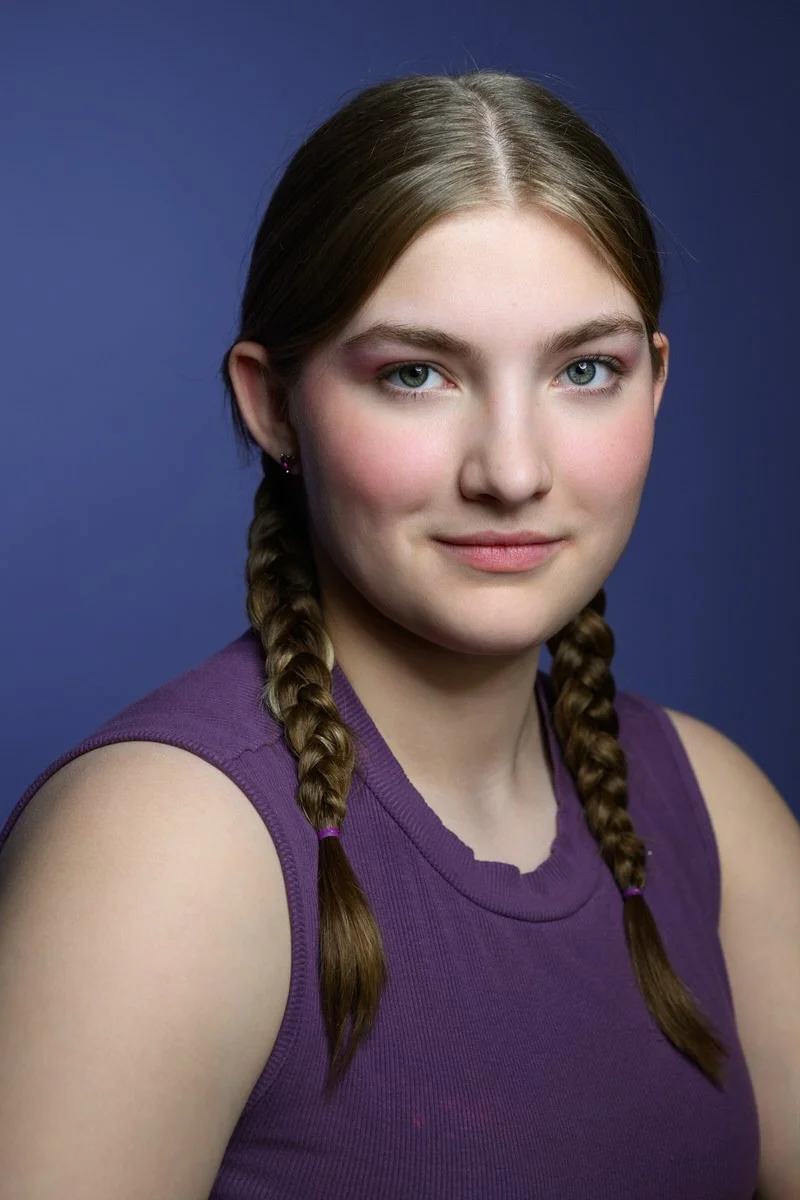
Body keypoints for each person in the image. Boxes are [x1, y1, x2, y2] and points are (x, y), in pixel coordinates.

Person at [0, 69, 797, 1200]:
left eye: (585, 371)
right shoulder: (161, 850)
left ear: (653, 387)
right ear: (271, 405)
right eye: (416, 374)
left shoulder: (715, 810)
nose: (512, 470)